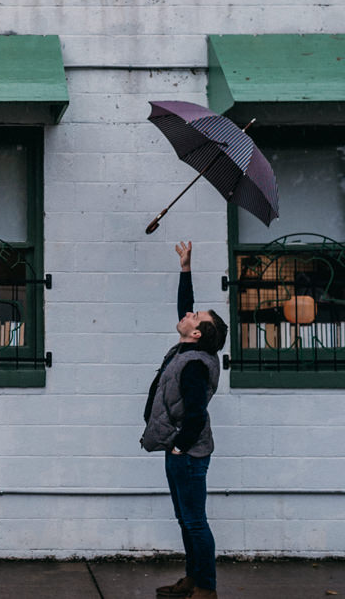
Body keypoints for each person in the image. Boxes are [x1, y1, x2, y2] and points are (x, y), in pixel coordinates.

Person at [141, 241, 227, 599]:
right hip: (179, 451)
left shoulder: (193, 363)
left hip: (188, 455)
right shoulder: (188, 347)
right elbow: (184, 309)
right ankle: (192, 580)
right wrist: (185, 269)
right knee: (185, 521)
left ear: (196, 334)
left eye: (196, 318)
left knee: (195, 522)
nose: (189, 314)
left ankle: (206, 589)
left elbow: (196, 415)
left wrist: (177, 446)